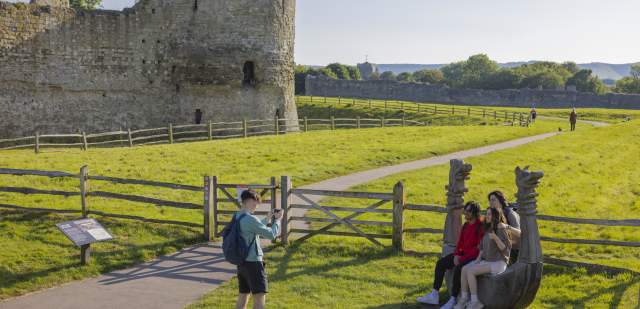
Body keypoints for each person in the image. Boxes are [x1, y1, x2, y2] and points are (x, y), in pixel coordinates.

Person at [417, 202, 484, 309]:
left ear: (475, 213)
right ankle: (434, 294)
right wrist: (457, 254)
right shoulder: (466, 225)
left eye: (468, 211)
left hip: (473, 257)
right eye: (465, 210)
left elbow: (478, 249)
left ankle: (453, 299)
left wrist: (462, 258)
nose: (465, 213)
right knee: (440, 263)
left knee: (458, 269)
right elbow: (460, 242)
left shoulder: (480, 227)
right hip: (462, 254)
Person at [455, 207, 512, 309]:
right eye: (487, 214)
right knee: (464, 269)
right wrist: (477, 260)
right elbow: (481, 248)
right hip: (487, 261)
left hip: (498, 263)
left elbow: (505, 249)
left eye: (489, 214)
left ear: (496, 216)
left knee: (471, 271)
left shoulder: (501, 228)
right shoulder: (488, 228)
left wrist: (495, 238)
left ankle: (475, 302)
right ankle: (464, 299)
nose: (487, 216)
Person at [233, 190, 282, 309]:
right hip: (254, 263)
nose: (257, 206)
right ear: (250, 201)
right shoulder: (251, 219)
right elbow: (271, 235)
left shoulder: (237, 216)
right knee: (259, 297)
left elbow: (253, 228)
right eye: (256, 203)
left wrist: (268, 218)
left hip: (242, 263)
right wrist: (278, 220)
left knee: (243, 295)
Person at [488, 191, 521, 264]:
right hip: (501, 248)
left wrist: (506, 226)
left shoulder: (510, 213)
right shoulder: (494, 214)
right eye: (490, 200)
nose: (491, 202)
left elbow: (520, 233)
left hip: (515, 250)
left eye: (493, 200)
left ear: (500, 200)